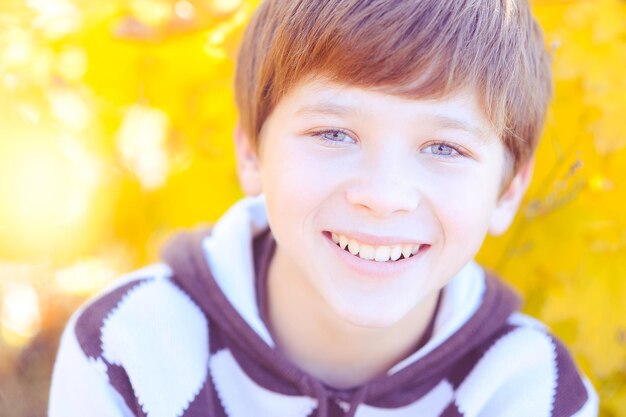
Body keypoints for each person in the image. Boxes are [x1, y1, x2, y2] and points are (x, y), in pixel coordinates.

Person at [49, 0, 599, 416]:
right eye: (334, 134)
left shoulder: (529, 388)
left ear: (507, 192)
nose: (383, 196)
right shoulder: (132, 344)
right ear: (250, 152)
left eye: (444, 148)